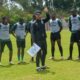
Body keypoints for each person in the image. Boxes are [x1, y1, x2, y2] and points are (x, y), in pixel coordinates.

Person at [32, 7, 50, 71]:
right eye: (37, 14)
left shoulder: (42, 21)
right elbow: (33, 34)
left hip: (43, 40)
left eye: (39, 14)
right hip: (38, 41)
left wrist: (47, 12)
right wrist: (34, 42)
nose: (38, 15)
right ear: (35, 16)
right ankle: (37, 67)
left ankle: (43, 65)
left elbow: (48, 18)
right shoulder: (34, 23)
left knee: (45, 52)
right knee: (38, 54)